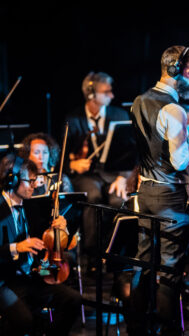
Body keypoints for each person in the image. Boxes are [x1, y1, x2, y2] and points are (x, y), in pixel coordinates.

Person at [126, 45, 189, 336]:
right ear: (175, 69)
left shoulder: (139, 101)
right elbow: (178, 161)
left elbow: (154, 137)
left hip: (145, 193)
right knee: (171, 270)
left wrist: (186, 130)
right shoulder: (175, 108)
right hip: (169, 195)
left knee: (144, 264)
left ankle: (137, 332)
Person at [0, 156, 82, 336]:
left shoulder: (32, 208)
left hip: (27, 276)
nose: (35, 185)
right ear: (12, 181)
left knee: (73, 299)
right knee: (24, 319)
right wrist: (16, 247)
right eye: (30, 181)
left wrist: (62, 229)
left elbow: (47, 242)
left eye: (35, 181)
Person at [65, 72, 135, 258]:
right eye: (107, 92)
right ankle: (93, 254)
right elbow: (61, 156)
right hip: (86, 175)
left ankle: (114, 253)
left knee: (118, 201)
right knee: (93, 196)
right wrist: (72, 163)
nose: (112, 96)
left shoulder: (119, 115)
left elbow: (129, 151)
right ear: (91, 94)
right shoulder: (73, 120)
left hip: (113, 173)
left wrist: (122, 177)